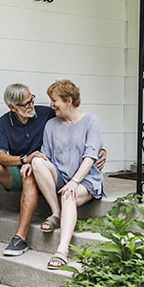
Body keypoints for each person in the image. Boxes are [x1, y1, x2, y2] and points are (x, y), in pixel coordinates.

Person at [0, 83, 105, 257]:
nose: (32, 105)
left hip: (53, 174)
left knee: (33, 173)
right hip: (21, 169)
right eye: (26, 104)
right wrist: (25, 160)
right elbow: (1, 156)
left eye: (31, 100)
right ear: (12, 107)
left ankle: (22, 237)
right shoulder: (5, 123)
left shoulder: (46, 114)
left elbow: (80, 128)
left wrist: (101, 151)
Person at [27, 79, 104, 270]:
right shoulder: (51, 125)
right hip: (61, 176)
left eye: (54, 101)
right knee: (37, 161)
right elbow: (46, 156)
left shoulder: (90, 121)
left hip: (86, 180)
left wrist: (75, 181)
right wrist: (30, 164)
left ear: (68, 100)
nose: (51, 105)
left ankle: (62, 251)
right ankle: (56, 212)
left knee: (69, 193)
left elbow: (91, 155)